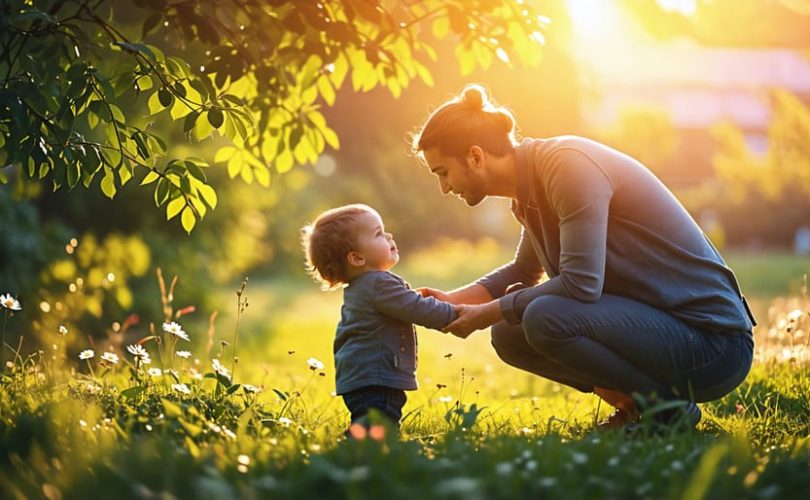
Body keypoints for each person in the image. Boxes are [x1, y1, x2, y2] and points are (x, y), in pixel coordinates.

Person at [411, 84, 756, 432]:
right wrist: (451, 303)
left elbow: (581, 284)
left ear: (475, 156)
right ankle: (638, 406)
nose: (444, 187)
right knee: (507, 333)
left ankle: (666, 412)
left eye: (442, 172)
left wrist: (482, 314)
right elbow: (523, 270)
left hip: (714, 344)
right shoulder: (529, 191)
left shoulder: (567, 168)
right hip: (664, 330)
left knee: (545, 317)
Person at [301, 204, 457, 430]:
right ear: (356, 258)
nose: (389, 236)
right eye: (378, 234)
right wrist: (454, 312)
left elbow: (404, 303)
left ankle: (365, 452)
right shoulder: (377, 284)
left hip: (362, 377)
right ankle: (362, 455)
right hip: (376, 378)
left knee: (375, 423)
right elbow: (418, 309)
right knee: (378, 427)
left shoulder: (364, 286)